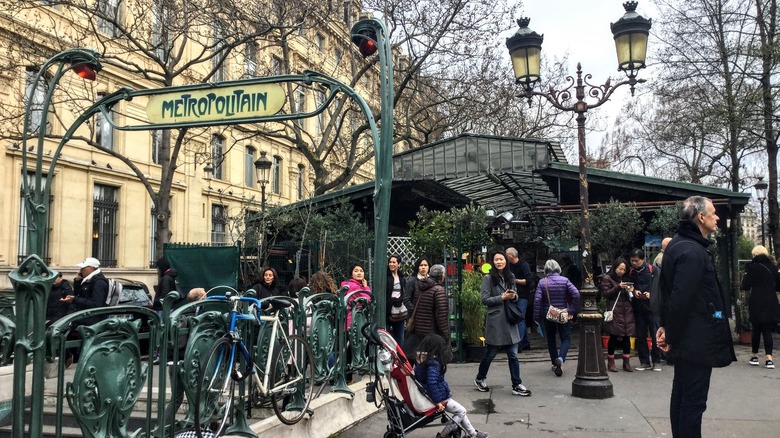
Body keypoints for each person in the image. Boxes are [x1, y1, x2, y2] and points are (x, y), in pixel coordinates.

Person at [657, 196, 736, 438]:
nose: (717, 217)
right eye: (713, 213)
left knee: (682, 395)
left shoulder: (681, 247)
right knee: (693, 401)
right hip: (697, 339)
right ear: (701, 217)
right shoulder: (692, 252)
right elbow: (681, 298)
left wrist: (667, 327)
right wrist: (670, 331)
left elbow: (668, 294)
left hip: (689, 337)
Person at [473, 250, 531, 397]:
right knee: (491, 352)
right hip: (496, 320)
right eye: (496, 259)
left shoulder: (510, 277)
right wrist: (502, 297)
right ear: (493, 262)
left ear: (506, 261)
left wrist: (514, 296)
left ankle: (516, 384)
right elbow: (484, 300)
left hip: (509, 319)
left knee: (513, 354)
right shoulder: (488, 278)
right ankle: (480, 378)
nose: (499, 262)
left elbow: (516, 296)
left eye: (501, 259)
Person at [414, 334, 489, 438]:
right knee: (461, 411)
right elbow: (432, 383)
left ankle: (473, 434)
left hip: (428, 395)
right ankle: (444, 434)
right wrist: (438, 402)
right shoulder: (433, 363)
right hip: (437, 397)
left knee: (460, 411)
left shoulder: (420, 360)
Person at [533, 259, 580, 377]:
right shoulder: (565, 280)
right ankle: (561, 358)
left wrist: (536, 317)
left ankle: (555, 363)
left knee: (551, 339)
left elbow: (537, 300)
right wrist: (571, 311)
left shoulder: (542, 282)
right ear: (558, 268)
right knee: (565, 338)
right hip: (563, 313)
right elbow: (576, 294)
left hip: (548, 314)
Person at [740, 245, 779, 369]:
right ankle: (769, 359)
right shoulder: (773, 268)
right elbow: (778, 286)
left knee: (756, 330)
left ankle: (754, 356)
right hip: (771, 301)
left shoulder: (751, 268)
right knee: (767, 331)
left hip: (756, 301)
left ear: (755, 255)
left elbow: (745, 286)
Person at [404, 264, 449, 360]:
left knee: (422, 361)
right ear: (442, 276)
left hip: (419, 333)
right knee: (433, 362)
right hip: (433, 334)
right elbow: (441, 317)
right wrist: (445, 336)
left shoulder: (419, 288)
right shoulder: (438, 291)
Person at [599, 258, 635, 372]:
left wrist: (631, 290)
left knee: (626, 337)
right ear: (614, 268)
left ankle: (626, 363)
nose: (622, 271)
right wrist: (618, 287)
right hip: (615, 311)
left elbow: (631, 296)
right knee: (613, 336)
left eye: (624, 269)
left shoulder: (626, 278)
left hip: (627, 310)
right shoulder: (607, 278)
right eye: (620, 269)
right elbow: (606, 294)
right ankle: (611, 363)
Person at [629, 248, 662, 371]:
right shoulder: (631, 272)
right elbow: (629, 285)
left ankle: (657, 361)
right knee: (640, 335)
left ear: (643, 259)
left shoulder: (653, 270)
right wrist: (634, 290)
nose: (634, 263)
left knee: (655, 334)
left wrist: (651, 294)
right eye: (632, 261)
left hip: (653, 307)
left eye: (636, 261)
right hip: (639, 306)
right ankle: (644, 361)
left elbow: (660, 286)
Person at [61, 257, 109, 326]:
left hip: (91, 323)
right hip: (83, 319)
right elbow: (79, 294)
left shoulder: (99, 282)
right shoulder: (88, 280)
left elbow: (96, 304)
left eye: (83, 268)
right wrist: (78, 281)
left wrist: (75, 299)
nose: (80, 271)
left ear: (91, 268)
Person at [506, 247, 534, 351]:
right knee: (518, 318)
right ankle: (525, 342)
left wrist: (515, 280)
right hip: (512, 295)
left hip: (522, 295)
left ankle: (519, 343)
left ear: (512, 256)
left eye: (507, 254)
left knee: (520, 318)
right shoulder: (508, 266)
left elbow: (529, 281)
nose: (506, 256)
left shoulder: (524, 265)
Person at [386, 255, 407, 344]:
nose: (391, 264)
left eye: (394, 262)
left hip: (399, 310)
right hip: (387, 310)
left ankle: (399, 356)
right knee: (386, 337)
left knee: (400, 338)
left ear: (399, 264)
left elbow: (404, 291)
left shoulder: (401, 277)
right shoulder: (385, 276)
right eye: (390, 262)